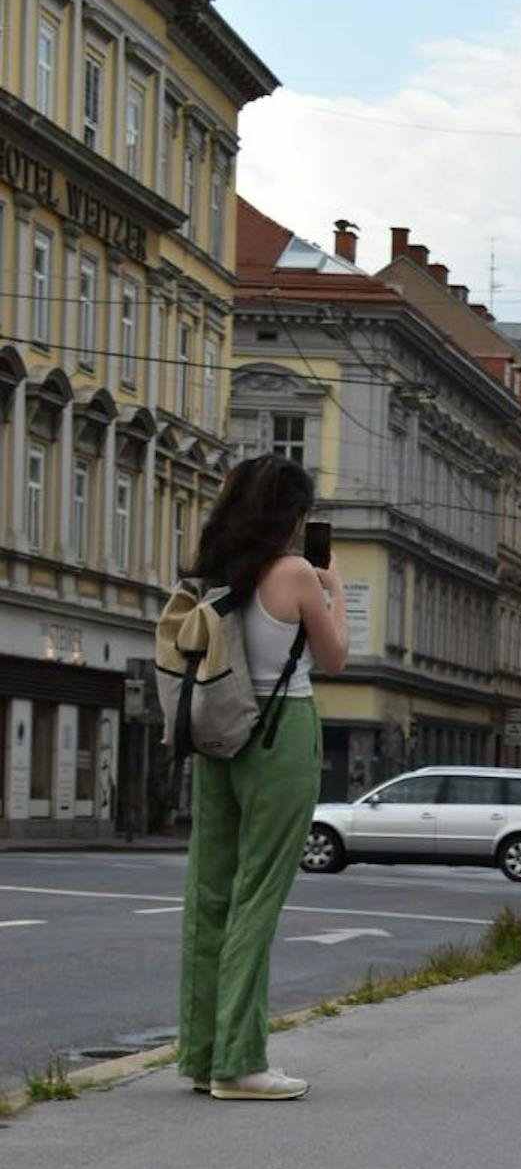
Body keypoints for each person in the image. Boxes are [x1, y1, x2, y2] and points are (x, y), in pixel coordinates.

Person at [177, 455, 348, 1100]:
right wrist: (332, 592)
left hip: (218, 727)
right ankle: (241, 1065)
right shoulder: (295, 572)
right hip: (281, 731)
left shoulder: (216, 572)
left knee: (210, 894)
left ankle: (202, 1054)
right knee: (259, 895)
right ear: (294, 516)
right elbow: (333, 658)